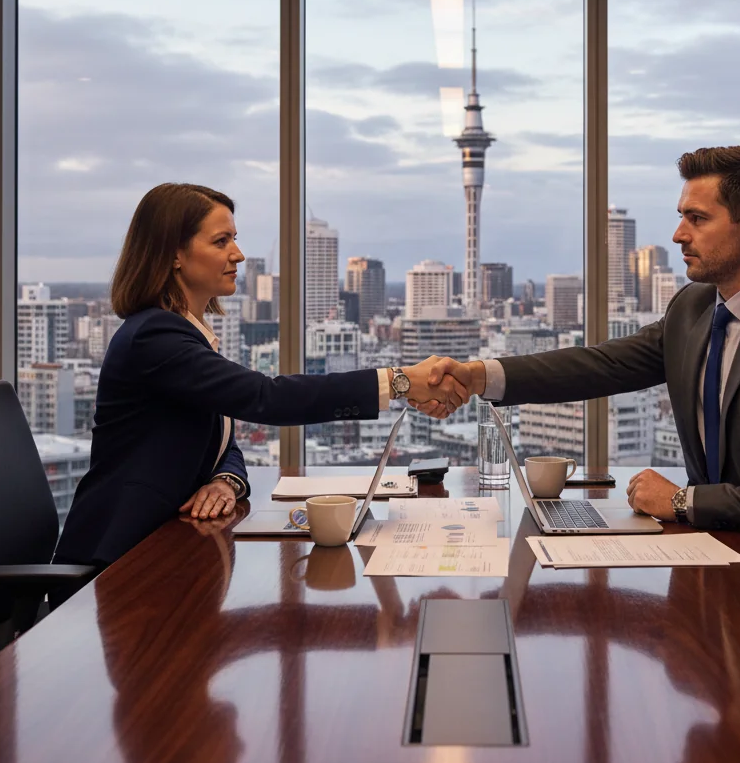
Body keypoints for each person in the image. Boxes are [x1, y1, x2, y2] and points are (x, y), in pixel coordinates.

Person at [424, 147, 740, 565]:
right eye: (682, 217)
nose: (679, 235)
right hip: (715, 552)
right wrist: (477, 375)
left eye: (697, 219)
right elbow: (599, 366)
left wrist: (683, 502)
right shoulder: (694, 307)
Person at [54, 183, 466, 570]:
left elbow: (224, 441)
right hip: (116, 562)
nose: (238, 254)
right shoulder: (154, 337)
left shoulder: (184, 333)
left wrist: (226, 481)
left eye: (234, 239)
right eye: (221, 241)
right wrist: (397, 381)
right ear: (174, 254)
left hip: (166, 550)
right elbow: (266, 398)